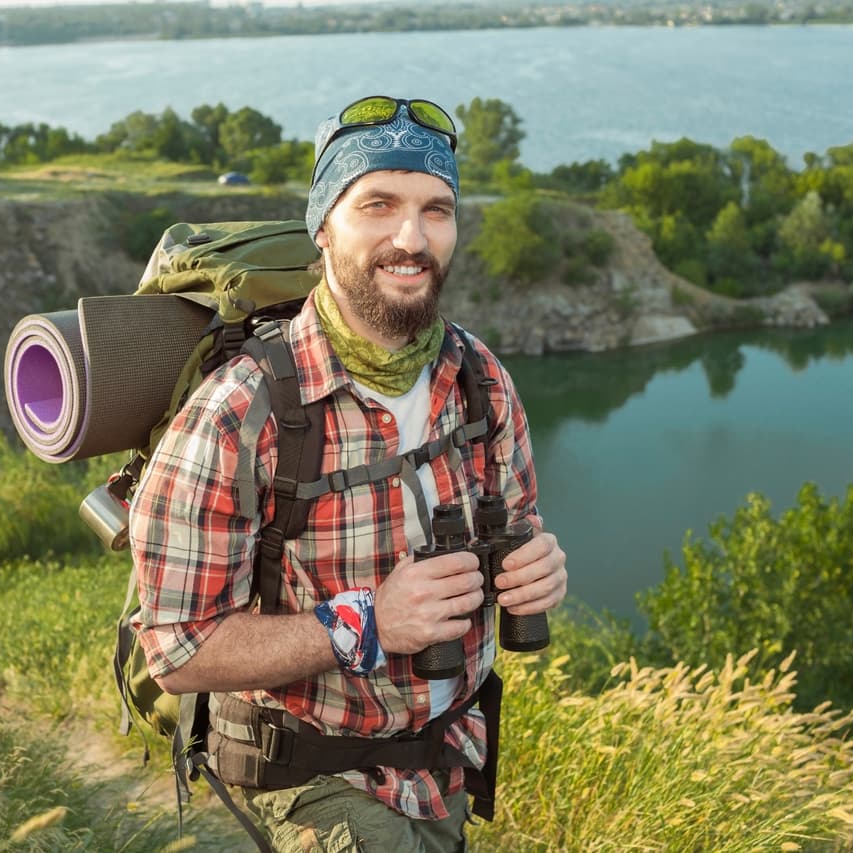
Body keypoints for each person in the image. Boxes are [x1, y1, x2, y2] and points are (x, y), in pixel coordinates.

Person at [129, 95, 567, 852]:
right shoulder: (243, 411)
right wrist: (365, 623)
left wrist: (534, 573)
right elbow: (177, 649)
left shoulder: (478, 378)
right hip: (312, 775)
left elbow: (515, 530)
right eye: (378, 205)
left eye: (437, 209)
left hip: (448, 762)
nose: (411, 237)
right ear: (323, 226)